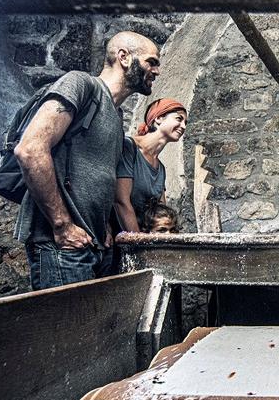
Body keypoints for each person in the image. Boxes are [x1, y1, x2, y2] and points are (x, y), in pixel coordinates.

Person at [14, 31, 161, 290]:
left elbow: (97, 176)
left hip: (92, 243)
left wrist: (102, 225)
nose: (156, 71)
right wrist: (62, 225)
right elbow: (30, 149)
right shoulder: (80, 84)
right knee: (68, 330)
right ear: (124, 57)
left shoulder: (115, 115)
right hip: (62, 246)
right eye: (152, 62)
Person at [114, 98, 187, 232]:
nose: (183, 126)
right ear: (159, 118)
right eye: (179, 119)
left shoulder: (161, 169)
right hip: (121, 238)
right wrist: (138, 245)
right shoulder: (129, 148)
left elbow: (160, 212)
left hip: (145, 238)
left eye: (185, 122)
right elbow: (121, 202)